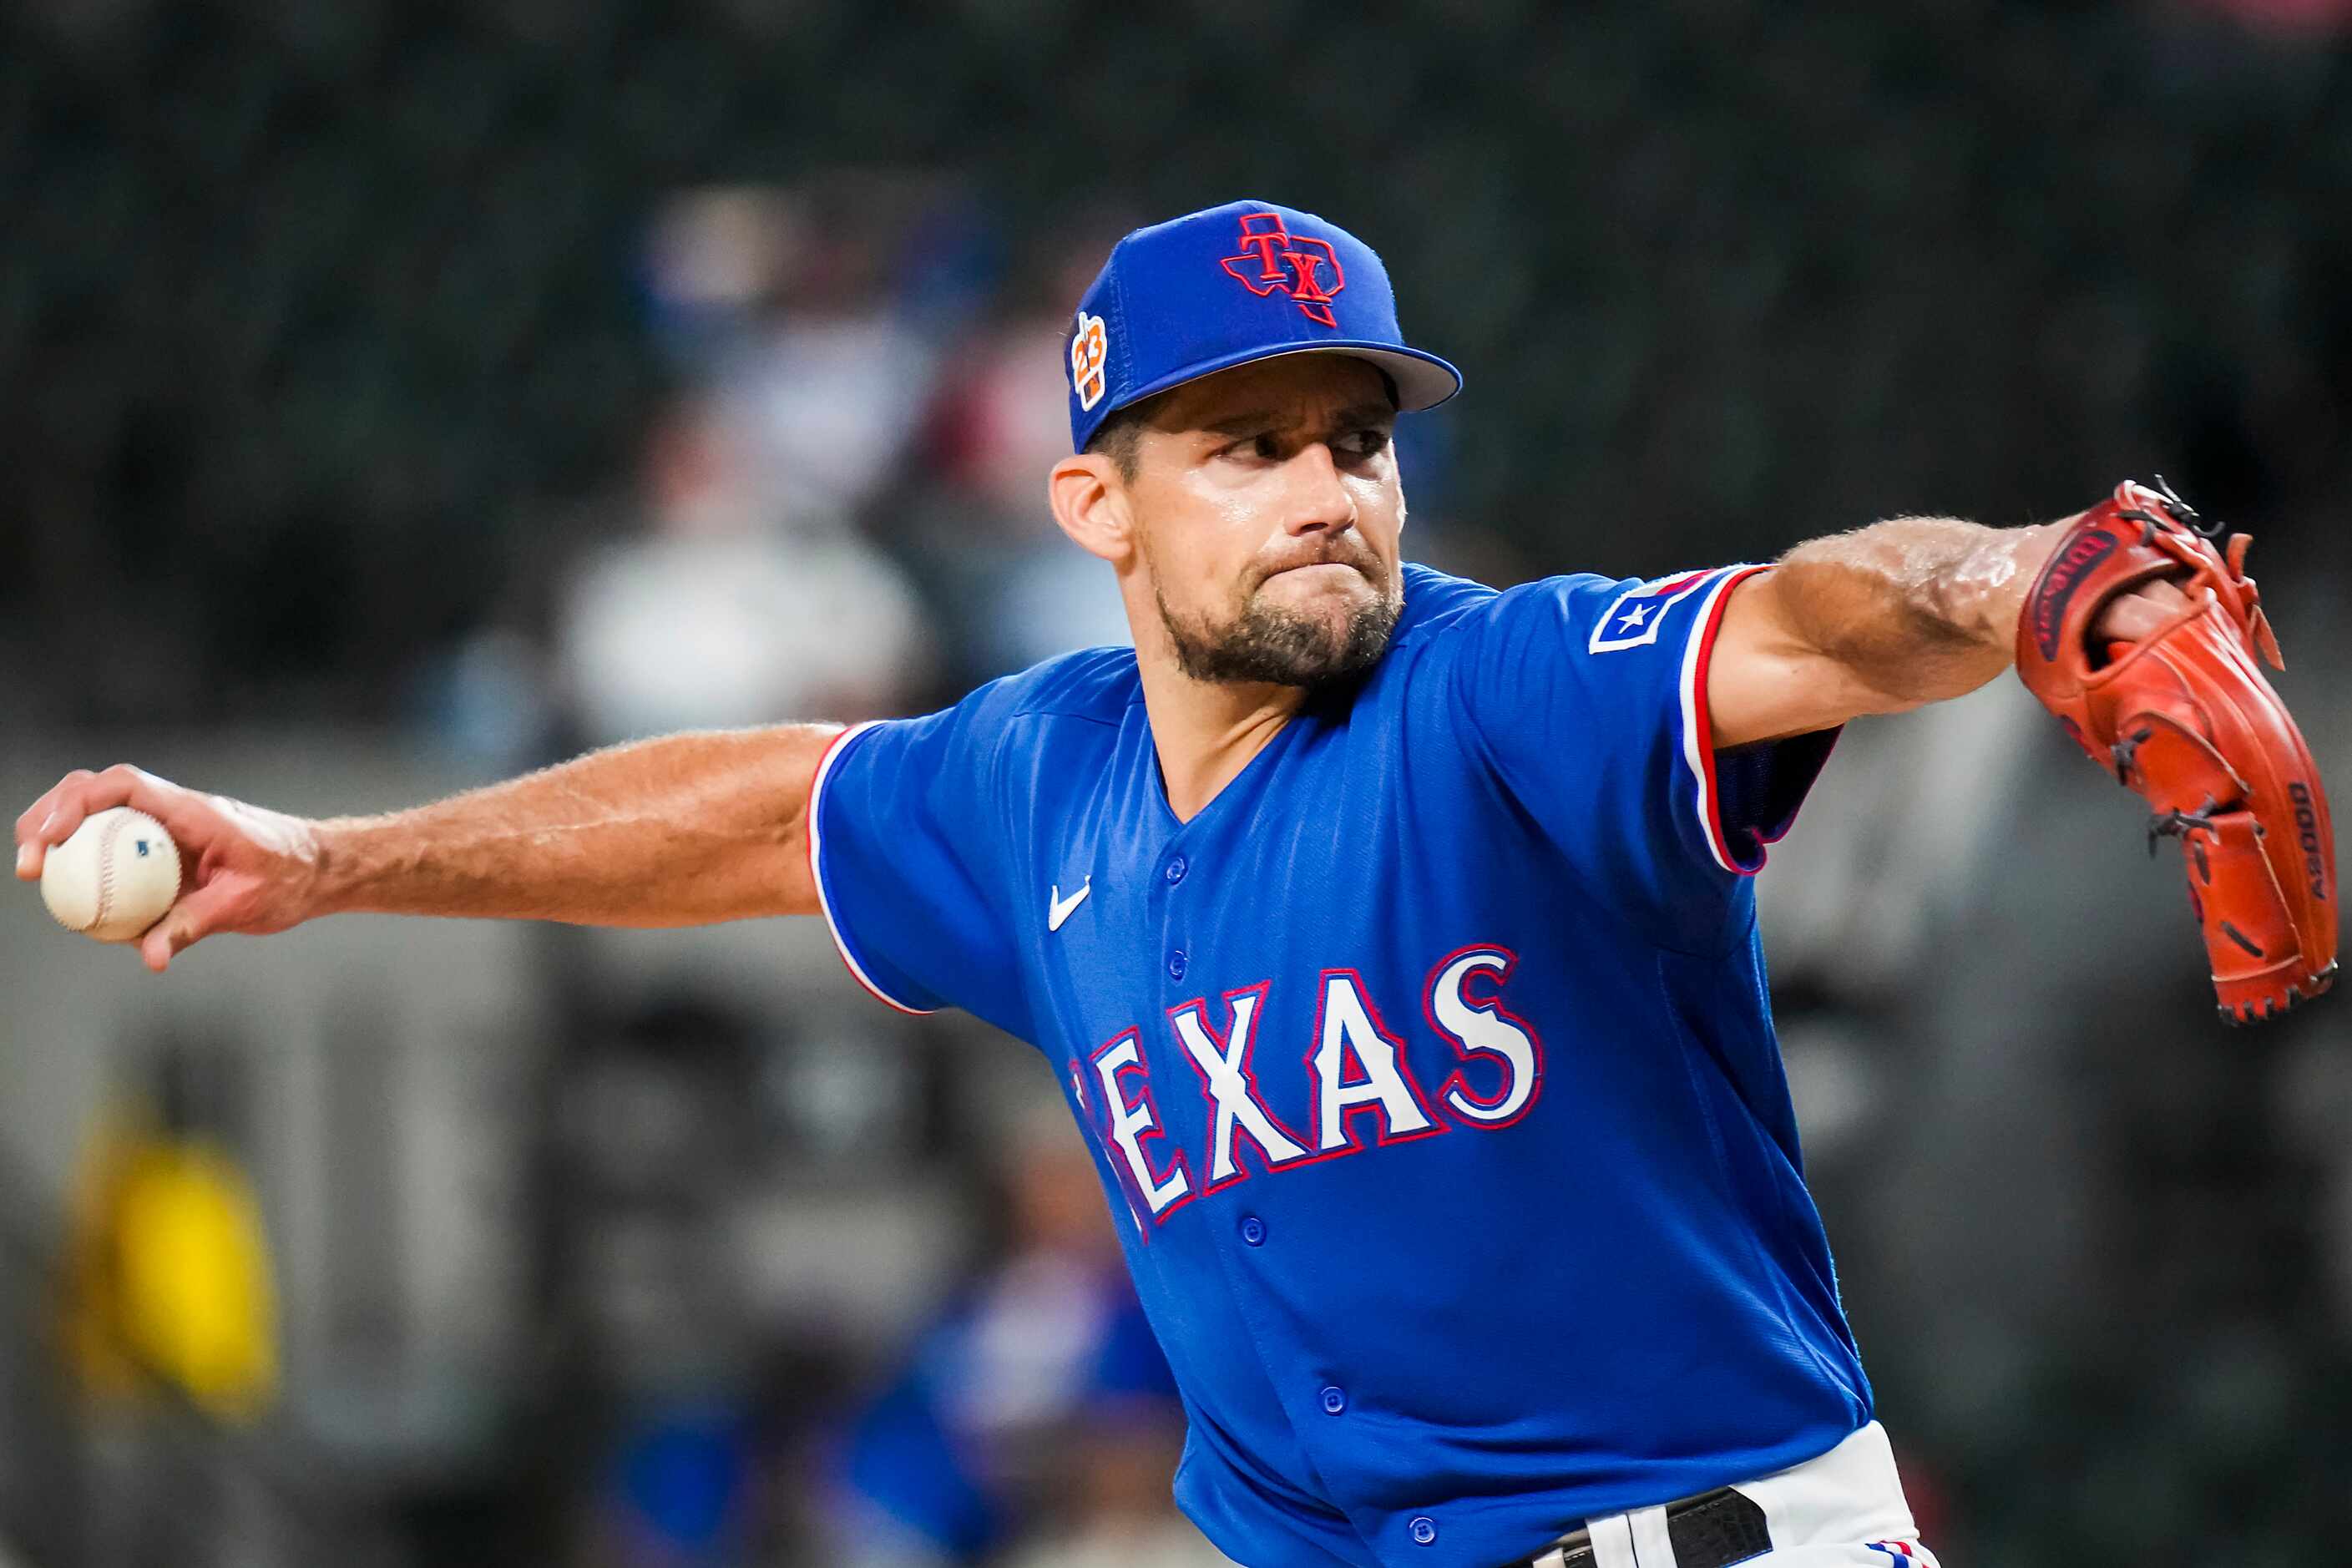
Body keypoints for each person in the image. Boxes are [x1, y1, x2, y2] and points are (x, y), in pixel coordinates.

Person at [15, 200, 2217, 1568]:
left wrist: (2032, 583)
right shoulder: (1034, 781)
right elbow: (753, 809)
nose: (1321, 492)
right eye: (1241, 446)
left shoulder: (1504, 692)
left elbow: (1818, 618)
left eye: (1349, 438)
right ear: (1095, 502)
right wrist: (332, 861)